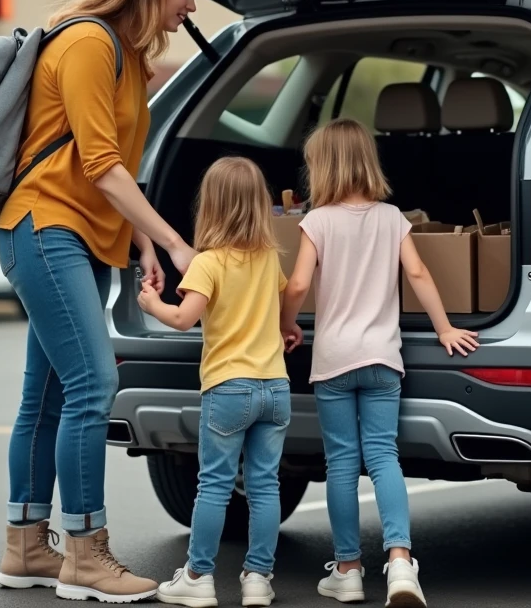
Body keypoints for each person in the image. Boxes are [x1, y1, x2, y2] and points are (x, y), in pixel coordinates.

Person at [0, 0, 206, 603]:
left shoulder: (126, 56)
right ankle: (86, 554)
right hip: (45, 227)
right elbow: (100, 166)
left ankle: (26, 546)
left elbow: (119, 171)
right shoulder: (88, 43)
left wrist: (140, 244)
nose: (191, 6)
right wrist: (174, 243)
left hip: (77, 237)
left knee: (51, 395)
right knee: (93, 384)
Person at [279, 118, 480, 608]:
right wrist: (444, 328)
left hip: (334, 362)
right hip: (383, 360)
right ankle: (399, 563)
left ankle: (347, 569)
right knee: (384, 457)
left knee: (343, 464)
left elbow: (300, 284)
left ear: (321, 167)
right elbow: (417, 271)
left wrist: (286, 323)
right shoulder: (392, 218)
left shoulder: (318, 221)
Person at [136, 157, 296, 608]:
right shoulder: (268, 258)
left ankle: (198, 577)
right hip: (275, 388)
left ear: (211, 207)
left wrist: (152, 305)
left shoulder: (208, 262)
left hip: (229, 388)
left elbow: (185, 319)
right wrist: (287, 328)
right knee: (265, 486)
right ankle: (258, 580)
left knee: (214, 485)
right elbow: (281, 301)